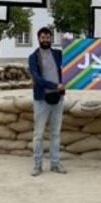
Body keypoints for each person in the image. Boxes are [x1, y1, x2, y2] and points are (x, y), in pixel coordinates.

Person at [27, 27, 67, 177]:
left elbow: (71, 65)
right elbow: (37, 79)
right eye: (42, 37)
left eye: (48, 37)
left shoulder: (58, 54)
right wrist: (54, 85)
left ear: (51, 38)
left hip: (58, 98)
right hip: (42, 100)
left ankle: (55, 164)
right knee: (38, 134)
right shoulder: (33, 57)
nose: (45, 39)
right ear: (38, 39)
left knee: (55, 133)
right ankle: (37, 165)